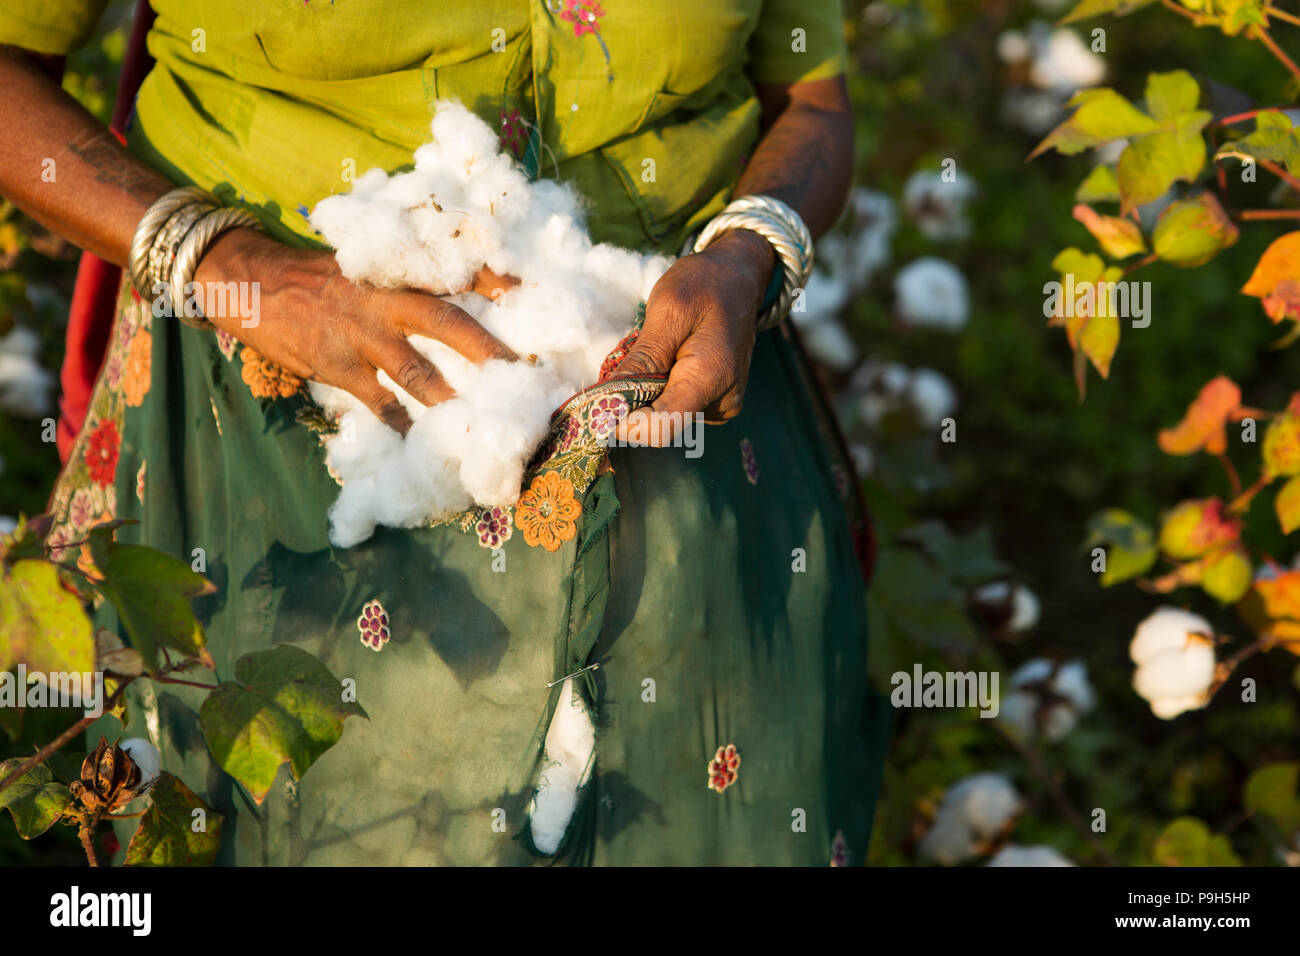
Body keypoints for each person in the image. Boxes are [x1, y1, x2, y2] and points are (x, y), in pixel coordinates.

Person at [0, 0, 888, 865]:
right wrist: (240, 269)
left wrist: (749, 249)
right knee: (328, 818)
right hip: (279, 432)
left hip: (690, 417)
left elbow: (811, 101)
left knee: (700, 812)